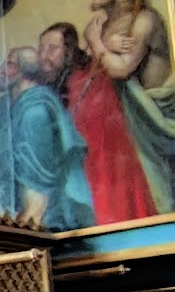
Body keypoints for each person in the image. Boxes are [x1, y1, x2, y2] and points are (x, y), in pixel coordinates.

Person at [81, 0, 175, 212]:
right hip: (126, 127)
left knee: (166, 193)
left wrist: (97, 42)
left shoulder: (144, 20)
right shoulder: (105, 28)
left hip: (155, 120)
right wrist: (104, 42)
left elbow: (121, 68)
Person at [0, 46, 94, 230]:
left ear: (21, 72)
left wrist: (16, 231)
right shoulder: (6, 104)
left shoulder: (35, 114)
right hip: (0, 203)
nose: (1, 69)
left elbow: (37, 195)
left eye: (9, 64)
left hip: (41, 221)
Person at [37, 19, 155, 225]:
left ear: (69, 52)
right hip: (84, 177)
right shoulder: (53, 88)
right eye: (41, 49)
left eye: (52, 49)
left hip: (105, 172)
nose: (43, 57)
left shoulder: (90, 78)